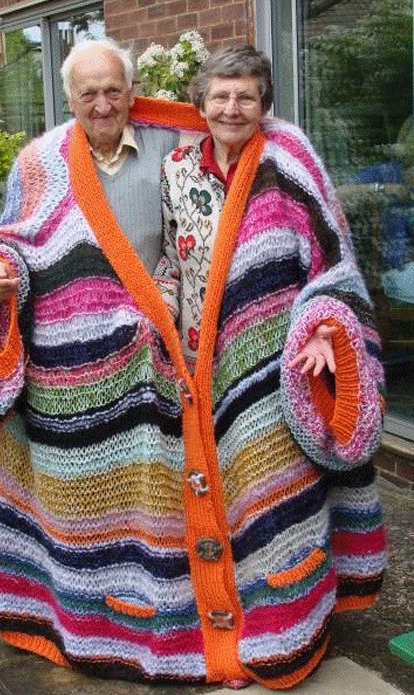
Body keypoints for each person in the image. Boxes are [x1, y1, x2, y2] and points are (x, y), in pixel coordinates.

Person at [0, 39, 385, 692]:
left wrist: (325, 320)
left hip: (244, 360)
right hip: (111, 372)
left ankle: (271, 625)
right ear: (68, 99)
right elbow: (14, 236)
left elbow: (330, 255)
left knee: (256, 489)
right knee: (140, 512)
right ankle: (140, 627)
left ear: (134, 93)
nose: (102, 103)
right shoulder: (47, 163)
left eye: (114, 90)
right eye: (87, 92)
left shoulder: (214, 149)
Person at [152, 44, 387, 688]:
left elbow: (333, 258)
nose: (232, 108)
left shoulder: (288, 164)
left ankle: (290, 627)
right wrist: (161, 312)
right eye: (220, 96)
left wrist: (325, 325)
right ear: (200, 104)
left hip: (281, 364)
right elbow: (172, 259)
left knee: (279, 499)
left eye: (246, 97)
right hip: (202, 365)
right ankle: (233, 622)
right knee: (222, 495)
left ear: (264, 104)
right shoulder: (176, 170)